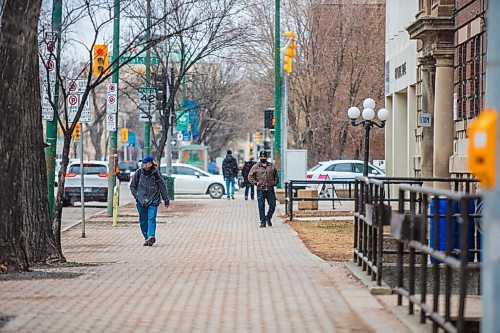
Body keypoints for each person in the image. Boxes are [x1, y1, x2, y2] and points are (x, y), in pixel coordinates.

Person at [130, 156, 169, 246]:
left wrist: (166, 199)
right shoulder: (139, 173)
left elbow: (162, 186)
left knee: (151, 218)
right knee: (143, 220)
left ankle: (151, 235)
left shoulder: (156, 174)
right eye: (143, 163)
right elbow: (132, 186)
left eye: (146, 163)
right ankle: (146, 237)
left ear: (150, 164)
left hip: (153, 200)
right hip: (141, 201)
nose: (144, 165)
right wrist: (137, 196)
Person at [248, 151, 279, 228]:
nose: (263, 158)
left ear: (266, 157)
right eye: (261, 156)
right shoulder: (255, 166)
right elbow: (250, 176)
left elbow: (276, 175)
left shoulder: (271, 166)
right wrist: (256, 183)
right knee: (261, 206)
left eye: (264, 156)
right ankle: (263, 221)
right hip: (260, 189)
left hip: (270, 189)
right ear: (259, 157)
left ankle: (268, 217)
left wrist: (275, 182)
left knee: (273, 204)